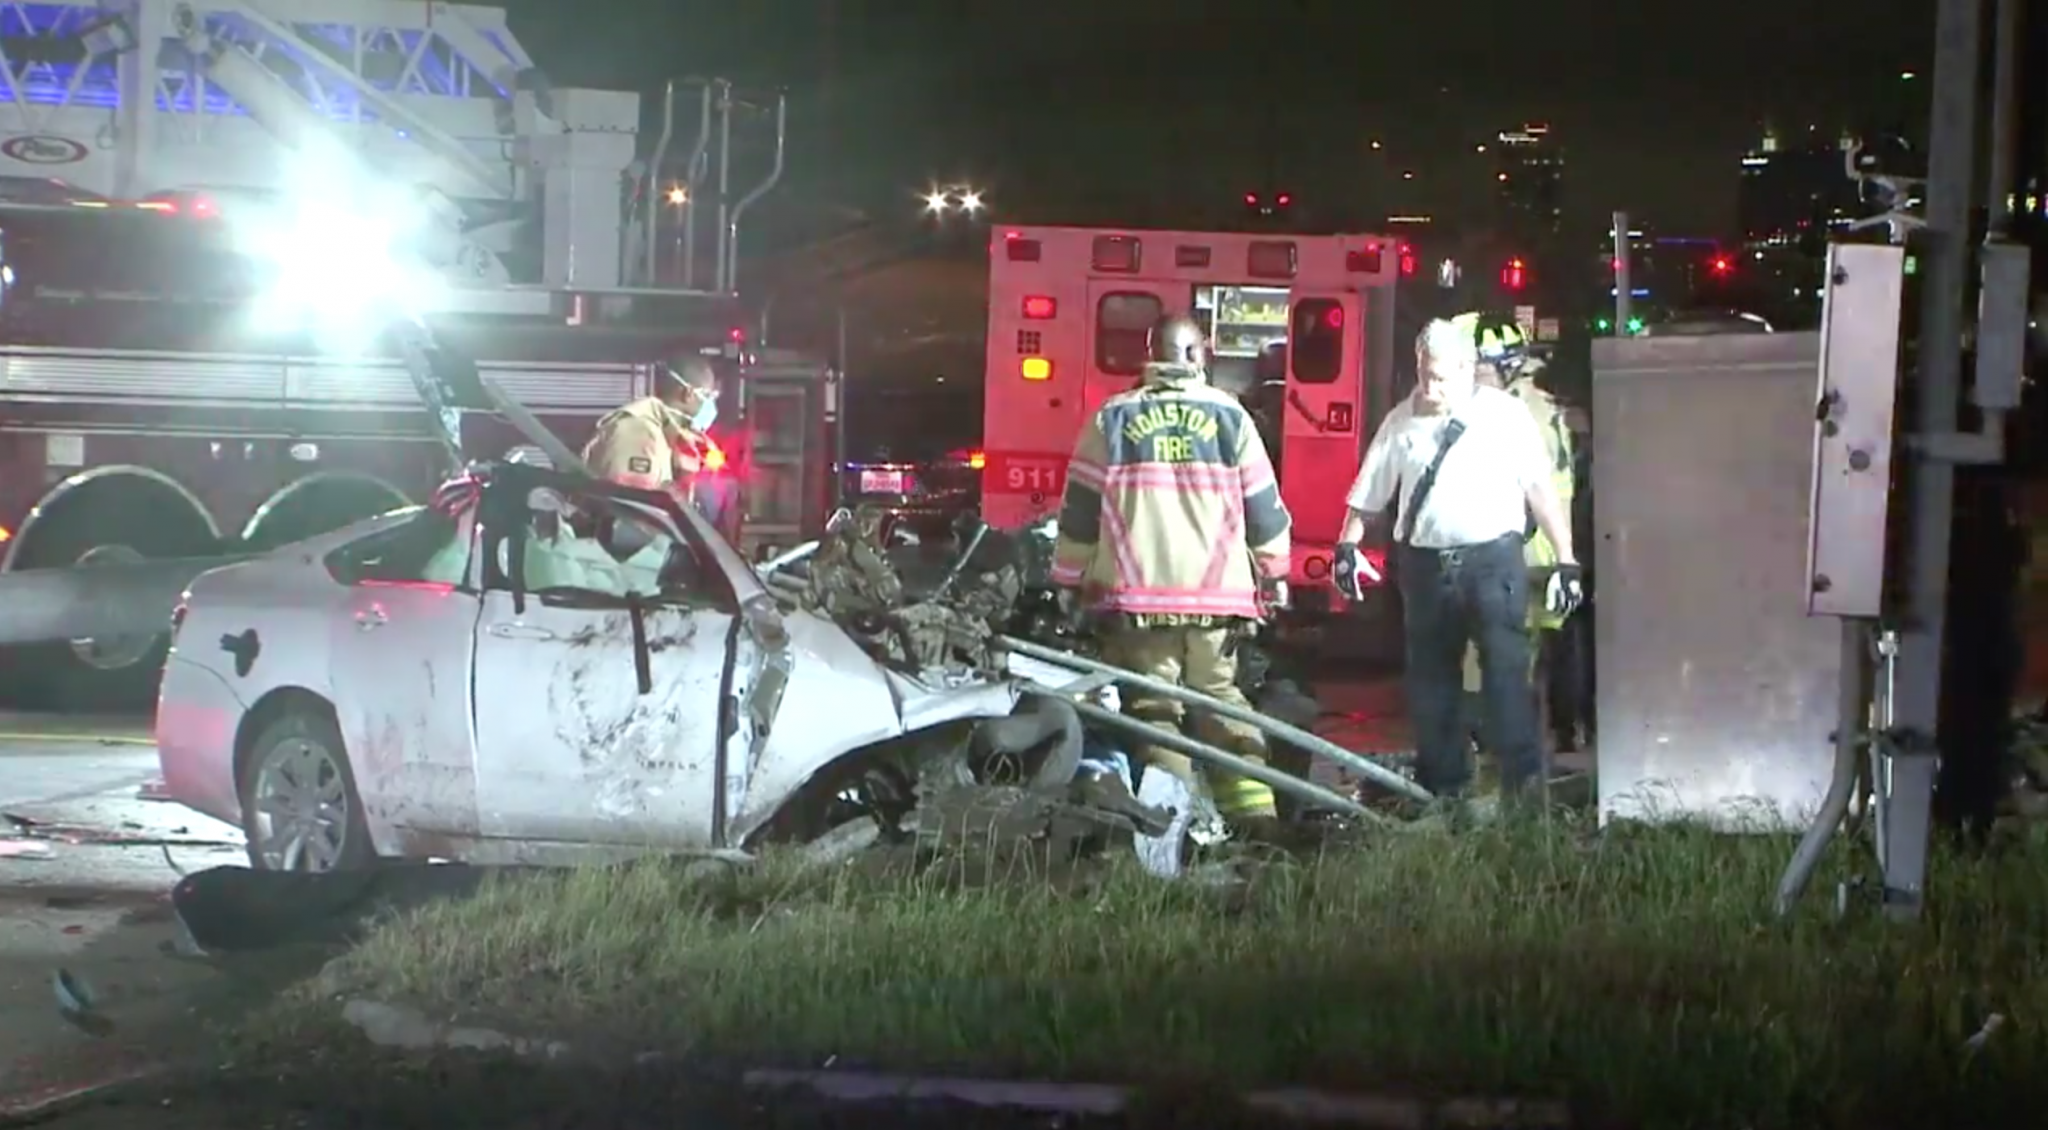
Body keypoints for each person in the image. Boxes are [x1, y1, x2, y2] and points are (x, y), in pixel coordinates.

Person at [1050, 310, 1293, 831]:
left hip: (1140, 603)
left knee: (1156, 711)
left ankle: (1171, 831)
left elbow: (1080, 512)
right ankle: (1259, 822)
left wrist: (1069, 580)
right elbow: (1264, 510)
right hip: (1217, 603)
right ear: (1199, 354)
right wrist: (1275, 576)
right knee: (1223, 701)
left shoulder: (1111, 419)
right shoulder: (1231, 418)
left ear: (1150, 354)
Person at [1330, 314, 1582, 806]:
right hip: (1426, 569)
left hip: (1492, 563)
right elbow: (1369, 493)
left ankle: (1522, 786)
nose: (1430, 385)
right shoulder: (1403, 418)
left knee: (1506, 675)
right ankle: (1443, 786)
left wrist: (1566, 560)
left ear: (1468, 368)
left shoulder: (1505, 416)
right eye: (1424, 373)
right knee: (1431, 681)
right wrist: (1347, 546)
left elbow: (1541, 492)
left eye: (1440, 376)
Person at [1457, 316, 1578, 766]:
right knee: (1516, 657)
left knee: (1492, 654)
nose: (1473, 376)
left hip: (1519, 553)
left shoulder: (1515, 415)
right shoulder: (1541, 408)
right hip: (1537, 553)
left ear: (1506, 367)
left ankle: (1494, 753)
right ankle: (1511, 751)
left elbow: (1530, 490)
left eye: (1480, 367)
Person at [581, 357, 721, 490]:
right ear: (688, 394)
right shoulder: (637, 431)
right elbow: (632, 505)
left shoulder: (664, 431)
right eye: (708, 396)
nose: (711, 404)